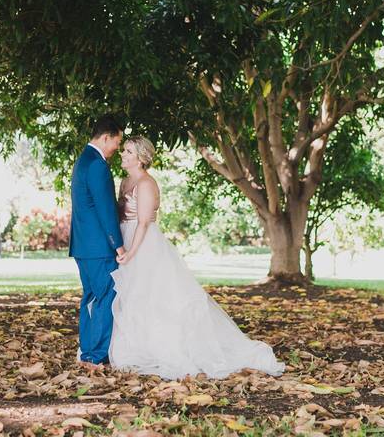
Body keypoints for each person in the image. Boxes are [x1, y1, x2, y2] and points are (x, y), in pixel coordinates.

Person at [108, 135, 284, 379]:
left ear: (140, 158)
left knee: (153, 296)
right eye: (124, 150)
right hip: (126, 238)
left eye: (128, 151)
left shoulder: (147, 184)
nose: (123, 155)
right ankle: (138, 347)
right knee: (133, 297)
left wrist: (131, 253)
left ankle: (166, 349)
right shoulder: (126, 181)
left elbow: (144, 222)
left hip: (143, 244)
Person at [69, 114, 125, 369]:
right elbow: (105, 210)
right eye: (117, 142)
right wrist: (118, 244)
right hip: (99, 247)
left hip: (83, 246)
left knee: (91, 297)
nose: (117, 148)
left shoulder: (83, 161)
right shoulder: (98, 165)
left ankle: (87, 351)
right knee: (105, 298)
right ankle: (95, 356)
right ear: (106, 137)